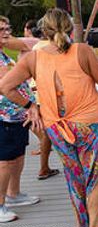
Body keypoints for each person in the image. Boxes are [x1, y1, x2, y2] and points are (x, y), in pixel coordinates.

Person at [0, 9, 98, 227]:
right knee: (95, 176)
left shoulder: (33, 57)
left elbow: (5, 87)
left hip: (56, 125)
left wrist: (31, 106)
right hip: (88, 123)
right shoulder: (82, 51)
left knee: (74, 176)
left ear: (44, 31)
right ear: (70, 29)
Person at [5, 20, 59, 181]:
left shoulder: (34, 43)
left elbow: (9, 42)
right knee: (44, 131)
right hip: (38, 92)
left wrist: (4, 35)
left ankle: (44, 166)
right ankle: (44, 166)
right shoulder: (49, 45)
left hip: (33, 93)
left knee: (43, 131)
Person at [0, 16, 40, 223]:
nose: (6, 33)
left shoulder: (4, 54)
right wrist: (30, 105)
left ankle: (13, 194)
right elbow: (6, 86)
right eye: (1, 30)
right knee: (5, 161)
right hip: (4, 117)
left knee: (17, 155)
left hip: (17, 116)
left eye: (8, 28)